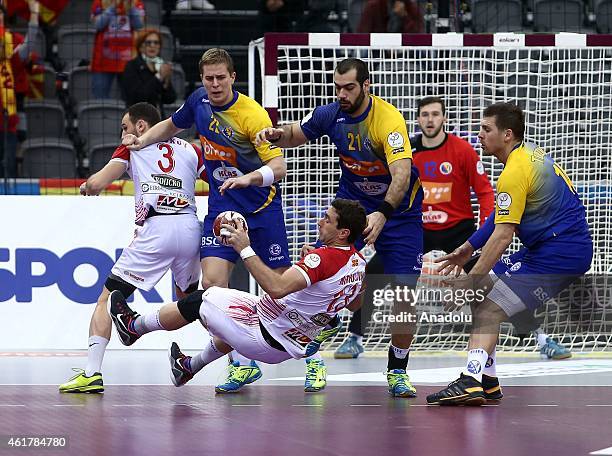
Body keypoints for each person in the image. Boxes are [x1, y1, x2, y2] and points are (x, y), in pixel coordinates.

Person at [120, 48, 301, 394]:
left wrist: (249, 178)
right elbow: (172, 125)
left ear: (233, 77)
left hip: (262, 212)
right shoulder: (199, 101)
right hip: (222, 210)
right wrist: (141, 141)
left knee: (282, 291)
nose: (215, 84)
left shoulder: (252, 115)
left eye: (221, 77)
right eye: (209, 78)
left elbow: (279, 169)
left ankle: (313, 362)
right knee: (213, 291)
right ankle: (239, 365)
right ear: (202, 80)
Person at [256, 58, 424, 398]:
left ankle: (397, 370)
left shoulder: (387, 121)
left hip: (399, 214)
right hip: (350, 210)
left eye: (349, 87)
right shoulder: (331, 114)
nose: (342, 94)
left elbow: (402, 173)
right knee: (318, 273)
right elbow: (295, 134)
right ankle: (317, 345)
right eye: (338, 88)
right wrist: (277, 134)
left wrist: (383, 214)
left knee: (404, 297)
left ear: (366, 85)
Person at [426, 102, 592, 406]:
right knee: (485, 299)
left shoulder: (514, 171)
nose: (479, 135)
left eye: (486, 129)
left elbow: (503, 236)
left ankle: (470, 380)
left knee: (490, 307)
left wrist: (470, 280)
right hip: (551, 248)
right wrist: (467, 249)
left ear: (507, 135)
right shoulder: (528, 156)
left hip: (559, 254)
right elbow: (499, 218)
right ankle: (487, 380)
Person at [107, 199, 367, 388]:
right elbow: (355, 304)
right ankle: (188, 367)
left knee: (202, 300)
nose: (320, 220)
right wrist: (317, 280)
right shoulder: (358, 264)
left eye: (328, 219)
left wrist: (244, 248)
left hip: (263, 334)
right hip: (284, 337)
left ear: (343, 233)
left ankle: (134, 327)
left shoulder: (322, 258)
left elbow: (276, 288)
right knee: (225, 314)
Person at [59, 102, 205, 393]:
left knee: (106, 298)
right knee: (196, 303)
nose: (123, 132)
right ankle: (239, 359)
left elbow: (99, 182)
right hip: (190, 226)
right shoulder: (191, 149)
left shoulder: (132, 147)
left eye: (125, 127)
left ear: (141, 126)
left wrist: (88, 186)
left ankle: (92, 372)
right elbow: (213, 180)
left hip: (157, 230)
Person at [0, 0, 40, 178]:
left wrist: (34, 16)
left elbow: (28, 47)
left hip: (10, 112)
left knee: (9, 160)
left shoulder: (13, 43)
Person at [90, 0, 144, 99]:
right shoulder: (99, 2)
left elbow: (139, 25)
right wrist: (112, 7)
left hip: (127, 61)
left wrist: (131, 8)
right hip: (102, 61)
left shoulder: (135, 2)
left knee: (129, 99)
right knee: (100, 99)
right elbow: (97, 25)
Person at [121, 29, 176, 112]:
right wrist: (158, 77)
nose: (152, 45)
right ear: (140, 47)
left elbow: (170, 99)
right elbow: (137, 97)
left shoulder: (160, 65)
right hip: (137, 116)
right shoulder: (132, 66)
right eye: (148, 42)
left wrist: (166, 81)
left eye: (156, 42)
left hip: (157, 117)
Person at [357, 0, 424, 33]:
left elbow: (418, 35)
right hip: (378, 49)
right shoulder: (373, 6)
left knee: (422, 52)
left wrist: (404, 16)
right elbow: (362, 33)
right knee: (363, 51)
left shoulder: (412, 7)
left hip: (406, 50)